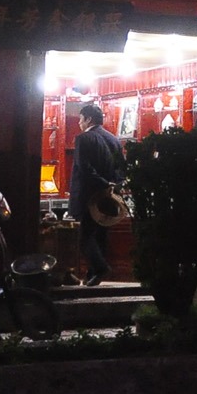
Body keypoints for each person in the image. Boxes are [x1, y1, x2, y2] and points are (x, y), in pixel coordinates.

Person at [68, 102, 125, 285]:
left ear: (88, 119)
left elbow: (83, 168)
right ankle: (92, 275)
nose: (79, 123)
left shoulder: (83, 139)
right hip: (109, 197)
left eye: (81, 119)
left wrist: (102, 183)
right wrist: (113, 185)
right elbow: (121, 168)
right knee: (100, 235)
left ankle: (99, 268)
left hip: (88, 196)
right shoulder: (114, 139)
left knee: (84, 237)